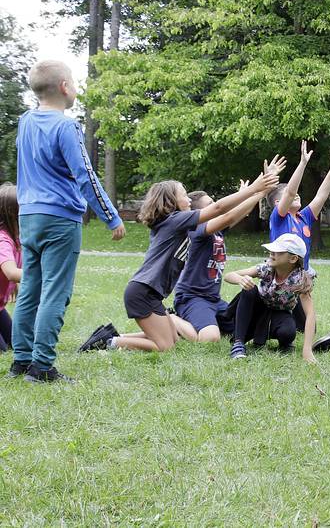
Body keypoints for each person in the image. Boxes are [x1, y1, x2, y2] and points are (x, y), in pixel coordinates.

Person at [9, 60, 125, 383]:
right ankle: (42, 366)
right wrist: (111, 216)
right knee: (55, 292)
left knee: (30, 289)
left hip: (28, 216)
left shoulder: (25, 122)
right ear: (64, 87)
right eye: (73, 82)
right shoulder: (66, 127)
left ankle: (21, 361)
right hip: (59, 219)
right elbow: (85, 176)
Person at [80, 168, 279, 354]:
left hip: (150, 293)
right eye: (184, 194)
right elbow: (219, 209)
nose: (188, 199)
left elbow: (228, 216)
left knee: (172, 339)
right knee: (165, 346)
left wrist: (256, 193)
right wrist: (254, 189)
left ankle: (110, 336)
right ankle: (111, 342)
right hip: (142, 292)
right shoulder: (174, 221)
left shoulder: (178, 224)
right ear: (171, 201)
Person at [171, 159, 286, 344]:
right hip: (192, 298)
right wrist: (259, 190)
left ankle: (202, 322)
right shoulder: (196, 229)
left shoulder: (216, 230)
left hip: (213, 300)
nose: (216, 204)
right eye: (211, 203)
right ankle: (169, 317)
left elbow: (240, 212)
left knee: (243, 330)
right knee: (210, 338)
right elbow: (228, 215)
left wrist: (263, 187)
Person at [224, 233, 317, 363]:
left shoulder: (300, 279)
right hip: (255, 310)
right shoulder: (266, 268)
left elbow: (310, 314)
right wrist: (240, 280)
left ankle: (280, 341)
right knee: (249, 290)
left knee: (288, 333)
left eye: (279, 251)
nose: (272, 253)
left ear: (293, 259)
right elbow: (228, 275)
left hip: (279, 313)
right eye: (272, 249)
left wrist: (307, 350)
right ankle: (238, 343)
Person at [268, 141, 330, 271]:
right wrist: (302, 163)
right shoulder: (279, 218)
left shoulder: (304, 217)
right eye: (289, 195)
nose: (296, 195)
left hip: (302, 276)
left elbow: (321, 196)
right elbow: (290, 193)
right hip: (283, 276)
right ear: (278, 203)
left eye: (297, 193)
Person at [0, 184, 22, 352]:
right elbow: (12, 272)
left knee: (16, 343)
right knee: (2, 350)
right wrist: (47, 276)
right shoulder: (2, 240)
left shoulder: (17, 239)